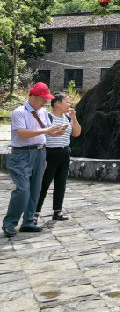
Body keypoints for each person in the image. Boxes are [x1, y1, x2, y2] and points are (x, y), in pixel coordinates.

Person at [2, 83, 66, 238]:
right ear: (34, 96)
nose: (45, 102)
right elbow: (22, 133)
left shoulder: (43, 112)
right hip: (21, 155)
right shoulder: (19, 112)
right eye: (43, 99)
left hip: (40, 152)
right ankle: (10, 224)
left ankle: (28, 222)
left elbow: (47, 131)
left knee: (35, 189)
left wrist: (57, 132)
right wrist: (47, 130)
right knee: (23, 190)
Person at [35, 92, 81, 221]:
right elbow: (40, 136)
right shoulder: (47, 117)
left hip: (64, 153)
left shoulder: (68, 117)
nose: (69, 104)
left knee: (61, 183)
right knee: (44, 184)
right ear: (58, 103)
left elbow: (77, 133)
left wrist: (74, 118)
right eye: (67, 101)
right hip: (49, 154)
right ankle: (35, 212)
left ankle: (58, 211)